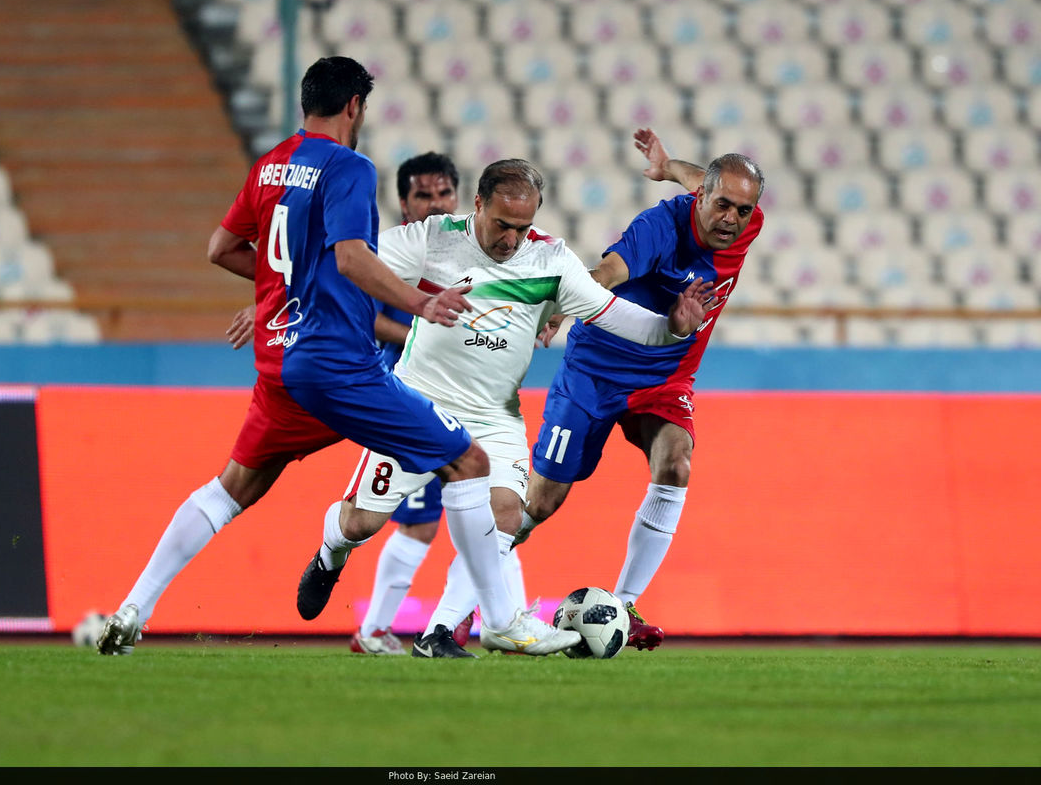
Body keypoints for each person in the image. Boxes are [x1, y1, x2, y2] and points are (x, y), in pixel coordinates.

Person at [96, 56, 577, 657]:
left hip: (279, 363)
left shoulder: (270, 166)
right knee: (470, 462)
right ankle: (503, 621)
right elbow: (350, 258)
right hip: (340, 366)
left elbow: (221, 248)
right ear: (355, 106)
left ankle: (133, 609)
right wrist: (419, 304)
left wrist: (281, 292)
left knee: (231, 489)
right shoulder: (349, 167)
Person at [298, 158, 717, 658]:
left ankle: (471, 629)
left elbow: (622, 319)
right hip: (417, 405)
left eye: (523, 227)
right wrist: (278, 303)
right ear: (478, 204)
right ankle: (330, 554)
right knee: (360, 524)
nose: (511, 240)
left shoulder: (550, 260)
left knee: (506, 513)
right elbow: (347, 264)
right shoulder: (433, 239)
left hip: (495, 417)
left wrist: (673, 325)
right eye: (501, 225)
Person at [513, 128, 766, 652]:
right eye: (723, 206)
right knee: (540, 503)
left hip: (664, 378)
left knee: (676, 462)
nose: (733, 220)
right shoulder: (658, 228)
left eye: (744, 211)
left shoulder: (740, 221)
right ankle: (474, 598)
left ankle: (624, 606)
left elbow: (707, 179)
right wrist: (559, 304)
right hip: (596, 370)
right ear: (702, 200)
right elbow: (607, 271)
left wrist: (671, 163)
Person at [350, 152, 480, 656]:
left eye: (443, 193)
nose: (434, 203)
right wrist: (420, 335)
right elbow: (365, 318)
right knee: (397, 517)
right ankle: (489, 617)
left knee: (432, 517)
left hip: (458, 393)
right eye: (423, 195)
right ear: (403, 204)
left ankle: (381, 630)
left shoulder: (472, 248)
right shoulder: (387, 253)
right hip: (403, 389)